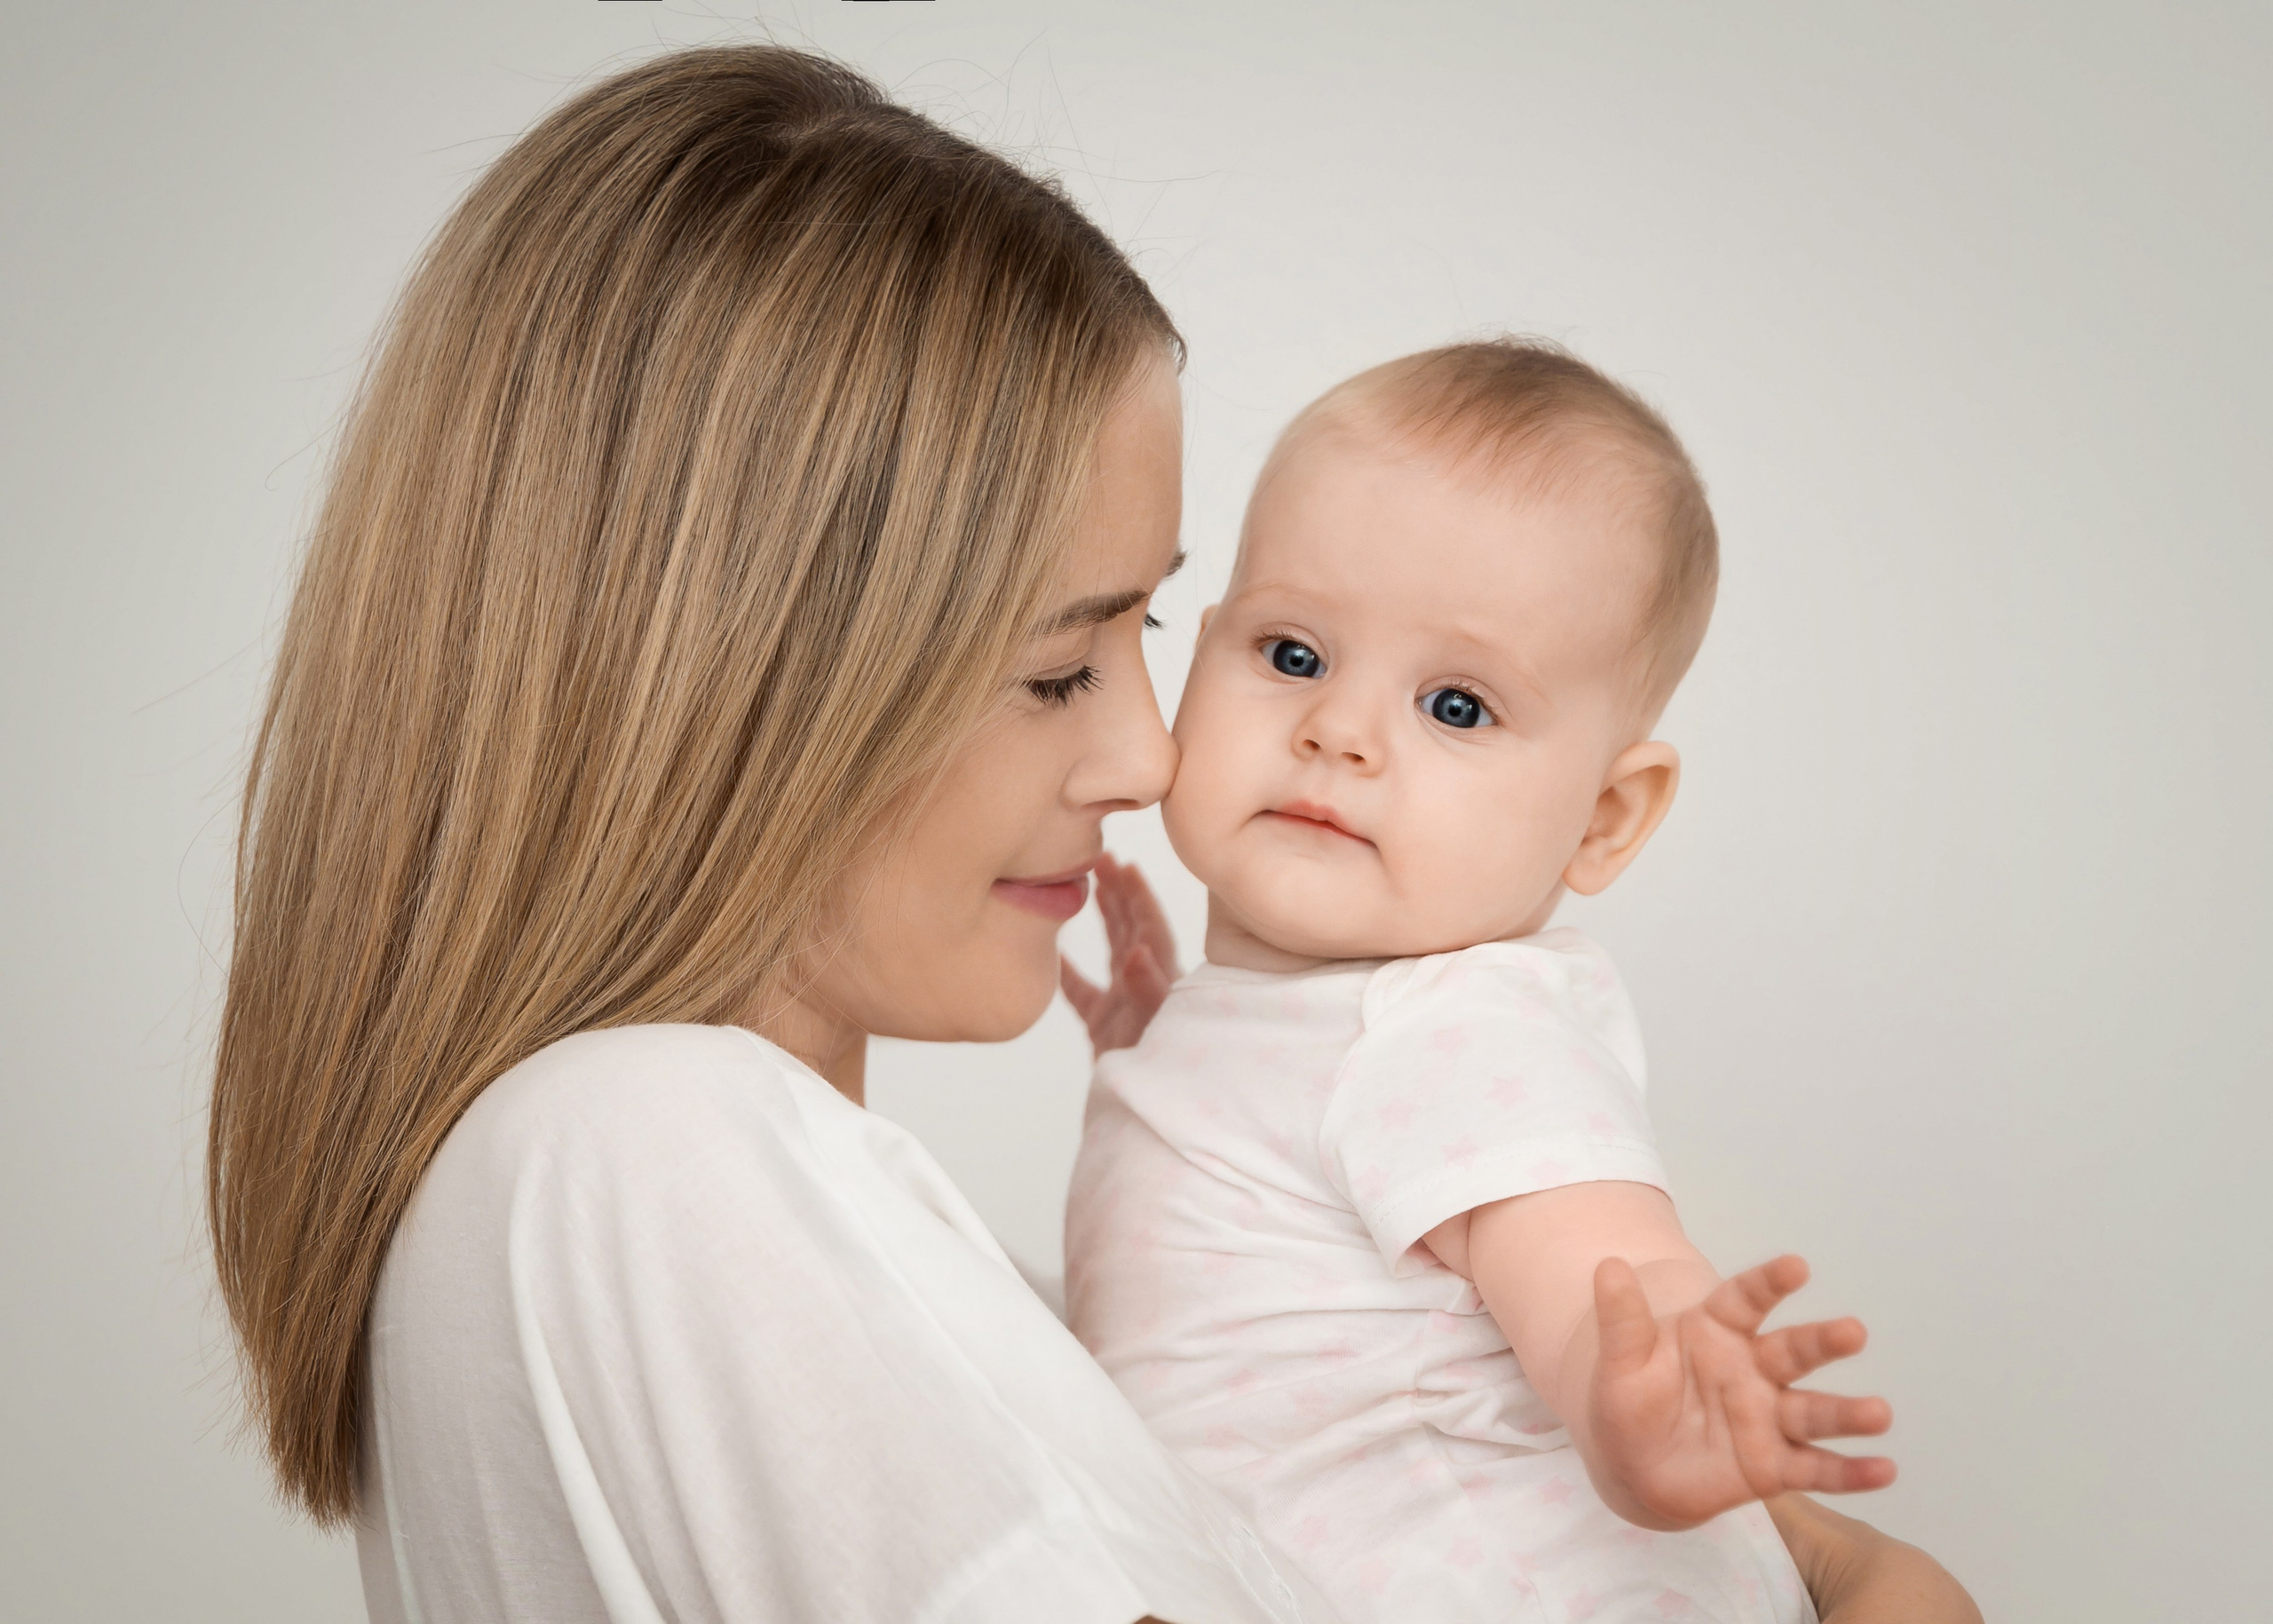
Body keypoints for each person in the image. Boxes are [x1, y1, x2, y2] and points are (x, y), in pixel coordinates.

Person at [204, 43, 1980, 1624]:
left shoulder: (757, 1231)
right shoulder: (638, 1146)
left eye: (1142, 639)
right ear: (751, 682)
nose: (1150, 758)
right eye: (1064, 668)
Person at [1065, 341, 1921, 1620]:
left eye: (1456, 705)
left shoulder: (1457, 1025)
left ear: (1605, 819)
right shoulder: (1322, 1030)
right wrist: (1167, 1037)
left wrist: (1646, 1404)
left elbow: (1599, 1265)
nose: (1339, 729)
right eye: (1293, 653)